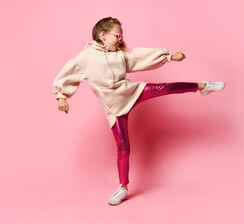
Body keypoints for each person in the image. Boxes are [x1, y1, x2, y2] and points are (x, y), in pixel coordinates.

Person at [52, 16, 226, 206]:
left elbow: (138, 58)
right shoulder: (85, 57)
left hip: (130, 92)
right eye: (117, 35)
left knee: (164, 88)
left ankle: (202, 86)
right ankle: (123, 188)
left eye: (121, 35)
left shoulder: (120, 55)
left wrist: (169, 57)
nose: (120, 38)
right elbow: (70, 74)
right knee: (123, 148)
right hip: (114, 107)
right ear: (102, 35)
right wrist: (61, 96)